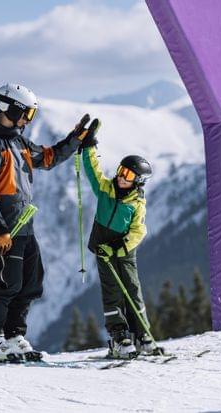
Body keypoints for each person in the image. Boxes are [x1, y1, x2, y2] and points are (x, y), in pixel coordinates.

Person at [0, 83, 98, 361]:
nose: (28, 120)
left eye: (31, 115)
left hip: (24, 226)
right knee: (9, 284)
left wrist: (76, 139)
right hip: (3, 229)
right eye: (26, 114)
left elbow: (49, 157)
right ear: (10, 109)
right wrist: (0, 230)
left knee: (31, 282)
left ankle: (14, 335)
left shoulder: (20, 143)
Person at [80, 132, 157, 359]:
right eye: (122, 171)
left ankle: (142, 334)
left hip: (124, 253)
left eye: (129, 175)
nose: (122, 177)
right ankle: (119, 336)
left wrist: (119, 248)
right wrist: (89, 147)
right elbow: (92, 170)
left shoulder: (136, 205)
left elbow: (138, 232)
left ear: (139, 181)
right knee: (112, 292)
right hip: (104, 252)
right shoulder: (106, 189)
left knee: (132, 290)